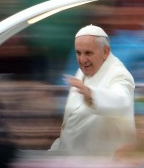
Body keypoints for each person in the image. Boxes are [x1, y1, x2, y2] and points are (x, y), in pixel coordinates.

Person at [50, 24, 136, 157]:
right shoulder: (83, 71)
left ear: (105, 52)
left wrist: (91, 95)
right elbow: (71, 126)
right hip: (74, 163)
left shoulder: (120, 75)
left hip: (104, 165)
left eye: (88, 53)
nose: (82, 59)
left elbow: (121, 101)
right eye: (78, 53)